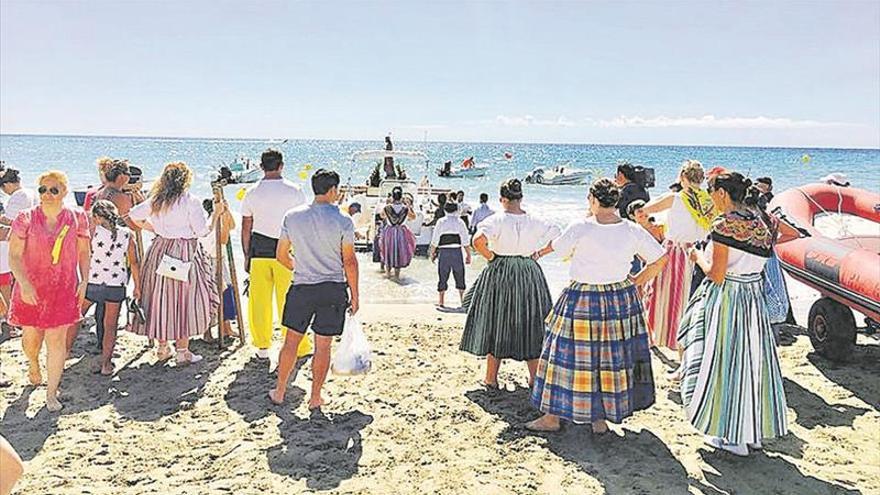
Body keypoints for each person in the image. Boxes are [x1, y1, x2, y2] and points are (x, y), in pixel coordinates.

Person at [526, 178, 668, 432]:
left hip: (584, 297)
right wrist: (636, 281)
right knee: (609, 359)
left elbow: (559, 251)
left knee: (564, 356)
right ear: (616, 202)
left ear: (592, 199)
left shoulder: (581, 227)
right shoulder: (631, 229)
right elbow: (659, 259)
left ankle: (552, 418)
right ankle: (598, 419)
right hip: (619, 297)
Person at [679, 172, 790, 456]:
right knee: (752, 363)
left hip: (729, 298)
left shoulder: (724, 224)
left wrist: (697, 257)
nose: (709, 197)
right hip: (753, 299)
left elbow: (716, 275)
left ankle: (732, 437)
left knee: (724, 362)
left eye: (711, 191)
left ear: (723, 194)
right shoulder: (762, 223)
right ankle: (751, 433)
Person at [269, 169, 359, 409]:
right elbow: (349, 261)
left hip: (302, 287)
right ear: (332, 190)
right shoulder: (343, 220)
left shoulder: (292, 216)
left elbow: (281, 255)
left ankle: (279, 392)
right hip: (332, 288)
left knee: (291, 342)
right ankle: (315, 397)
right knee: (323, 345)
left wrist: (300, 266)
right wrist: (356, 294)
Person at [460, 179, 560, 389]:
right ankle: (534, 378)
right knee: (531, 321)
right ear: (521, 198)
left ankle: (491, 378)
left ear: (502, 199)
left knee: (497, 321)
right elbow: (559, 238)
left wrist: (491, 257)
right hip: (528, 270)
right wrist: (539, 253)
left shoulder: (496, 219)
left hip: (501, 269)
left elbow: (477, 241)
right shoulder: (536, 220)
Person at [8, 171, 90, 412]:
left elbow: (84, 251)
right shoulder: (26, 218)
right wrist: (23, 283)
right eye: (43, 189)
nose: (47, 194)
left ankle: (51, 393)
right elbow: (13, 256)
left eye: (54, 190)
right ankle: (33, 364)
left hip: (63, 289)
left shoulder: (77, 217)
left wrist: (84, 280)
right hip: (30, 288)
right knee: (31, 340)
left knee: (56, 342)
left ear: (64, 192)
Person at [129, 162, 221, 364]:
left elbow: (134, 215)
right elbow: (201, 231)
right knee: (183, 300)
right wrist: (215, 216)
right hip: (184, 252)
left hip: (160, 249)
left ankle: (163, 347)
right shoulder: (190, 200)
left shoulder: (157, 200)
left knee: (160, 298)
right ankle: (182, 351)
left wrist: (152, 228)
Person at [240, 149, 312, 360]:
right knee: (290, 300)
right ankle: (298, 346)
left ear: (261, 167)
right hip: (286, 249)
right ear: (281, 165)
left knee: (259, 301)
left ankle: (262, 347)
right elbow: (302, 223)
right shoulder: (295, 190)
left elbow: (246, 228)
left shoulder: (251, 192)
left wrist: (246, 255)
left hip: (259, 250)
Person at [640, 160, 715, 360]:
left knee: (660, 296)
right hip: (701, 251)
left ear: (682, 177)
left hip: (676, 253)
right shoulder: (708, 200)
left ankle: (657, 338)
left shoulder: (676, 198)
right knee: (690, 300)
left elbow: (645, 210)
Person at [81, 200, 141, 375]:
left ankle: (66, 352)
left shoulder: (92, 232)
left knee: (76, 317)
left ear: (98, 217)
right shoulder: (128, 234)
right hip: (116, 284)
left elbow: (83, 255)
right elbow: (135, 263)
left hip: (94, 281)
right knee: (111, 326)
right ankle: (106, 364)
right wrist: (137, 286)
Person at [0, 167, 37, 333]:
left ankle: (10, 317)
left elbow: (11, 221)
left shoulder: (18, 196)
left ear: (7, 184)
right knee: (16, 280)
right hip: (26, 241)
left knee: (5, 281)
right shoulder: (31, 193)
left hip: (12, 243)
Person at [200, 198, 237, 341]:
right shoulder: (211, 223)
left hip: (218, 260)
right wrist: (224, 220)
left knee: (226, 292)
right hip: (209, 261)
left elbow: (232, 225)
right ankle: (207, 331)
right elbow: (223, 239)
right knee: (212, 295)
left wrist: (226, 211)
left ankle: (226, 327)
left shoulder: (215, 220)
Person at [429, 202, 472, 308]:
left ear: (445, 210)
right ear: (456, 210)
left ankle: (441, 301)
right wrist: (468, 254)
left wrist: (432, 253)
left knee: (442, 276)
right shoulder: (460, 222)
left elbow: (435, 240)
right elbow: (465, 240)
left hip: (444, 252)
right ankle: (463, 301)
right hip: (457, 251)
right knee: (460, 275)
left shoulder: (441, 222)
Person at [380, 186, 417, 279]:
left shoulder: (387, 208)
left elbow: (382, 216)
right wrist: (409, 207)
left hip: (389, 231)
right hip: (401, 232)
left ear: (392, 196)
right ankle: (397, 276)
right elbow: (413, 217)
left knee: (388, 252)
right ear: (401, 197)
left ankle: (388, 274)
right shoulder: (405, 209)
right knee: (399, 253)